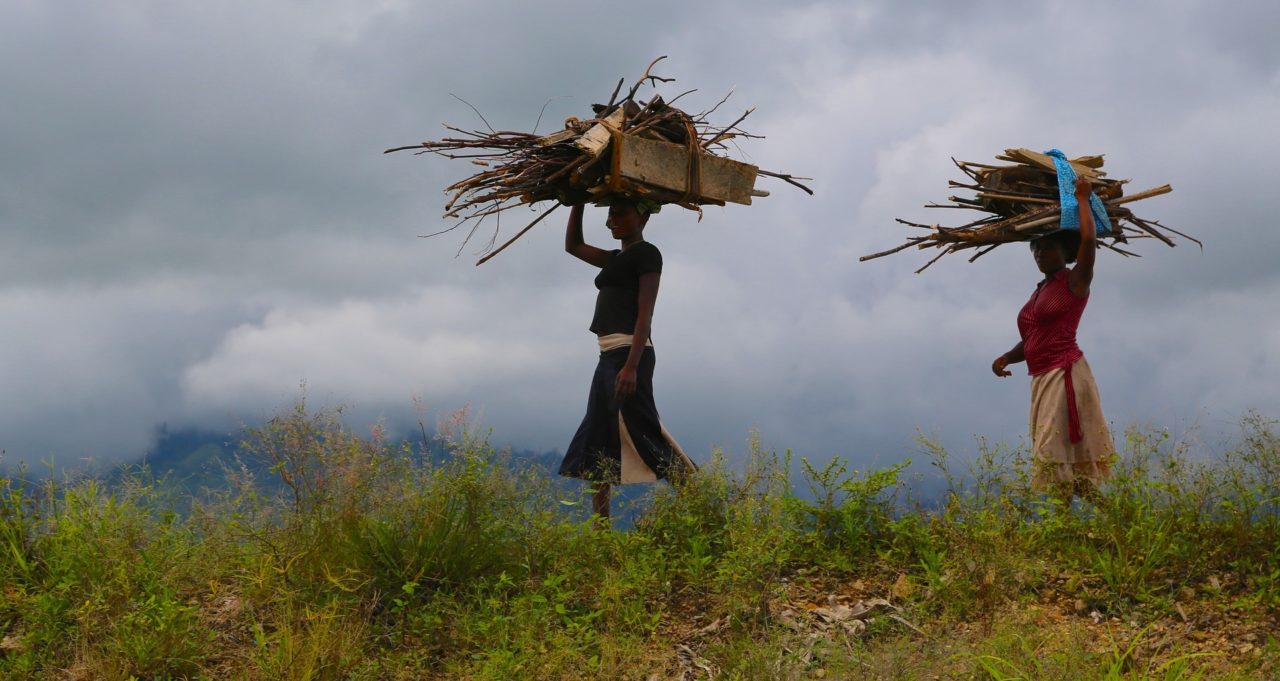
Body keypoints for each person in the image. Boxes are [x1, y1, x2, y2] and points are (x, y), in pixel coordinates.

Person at [559, 198, 694, 520]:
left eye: (620, 213)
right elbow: (573, 246)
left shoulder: (648, 254)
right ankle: (601, 530)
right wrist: (575, 201)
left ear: (643, 216)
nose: (611, 221)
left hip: (630, 354)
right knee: (597, 433)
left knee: (644, 430)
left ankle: (696, 499)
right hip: (608, 356)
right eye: (609, 214)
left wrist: (631, 367)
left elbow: (645, 315)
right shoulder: (617, 258)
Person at [992, 176, 1114, 498]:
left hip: (1065, 373)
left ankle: (1065, 529)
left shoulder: (1075, 282)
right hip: (1042, 377)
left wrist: (1083, 199)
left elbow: (1089, 242)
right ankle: (1107, 521)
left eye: (1047, 248)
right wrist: (1007, 356)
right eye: (1035, 250)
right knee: (1060, 458)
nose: (1039, 254)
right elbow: (1034, 337)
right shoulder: (1040, 291)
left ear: (1065, 251)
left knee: (1053, 453)